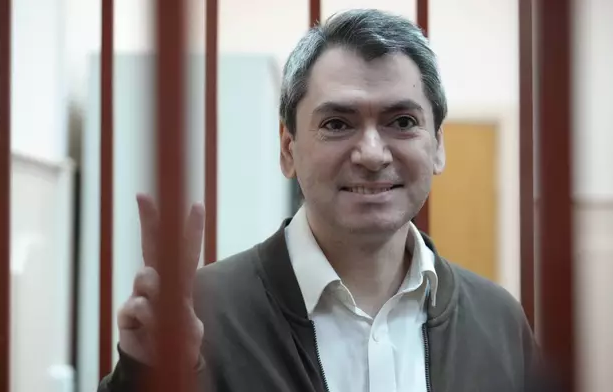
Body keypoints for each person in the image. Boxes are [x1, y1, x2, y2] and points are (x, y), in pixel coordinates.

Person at [98, 8, 547, 392]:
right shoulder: (203, 313)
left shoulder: (499, 321)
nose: (372, 154)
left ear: (438, 146)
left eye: (403, 120)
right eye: (337, 123)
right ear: (288, 149)